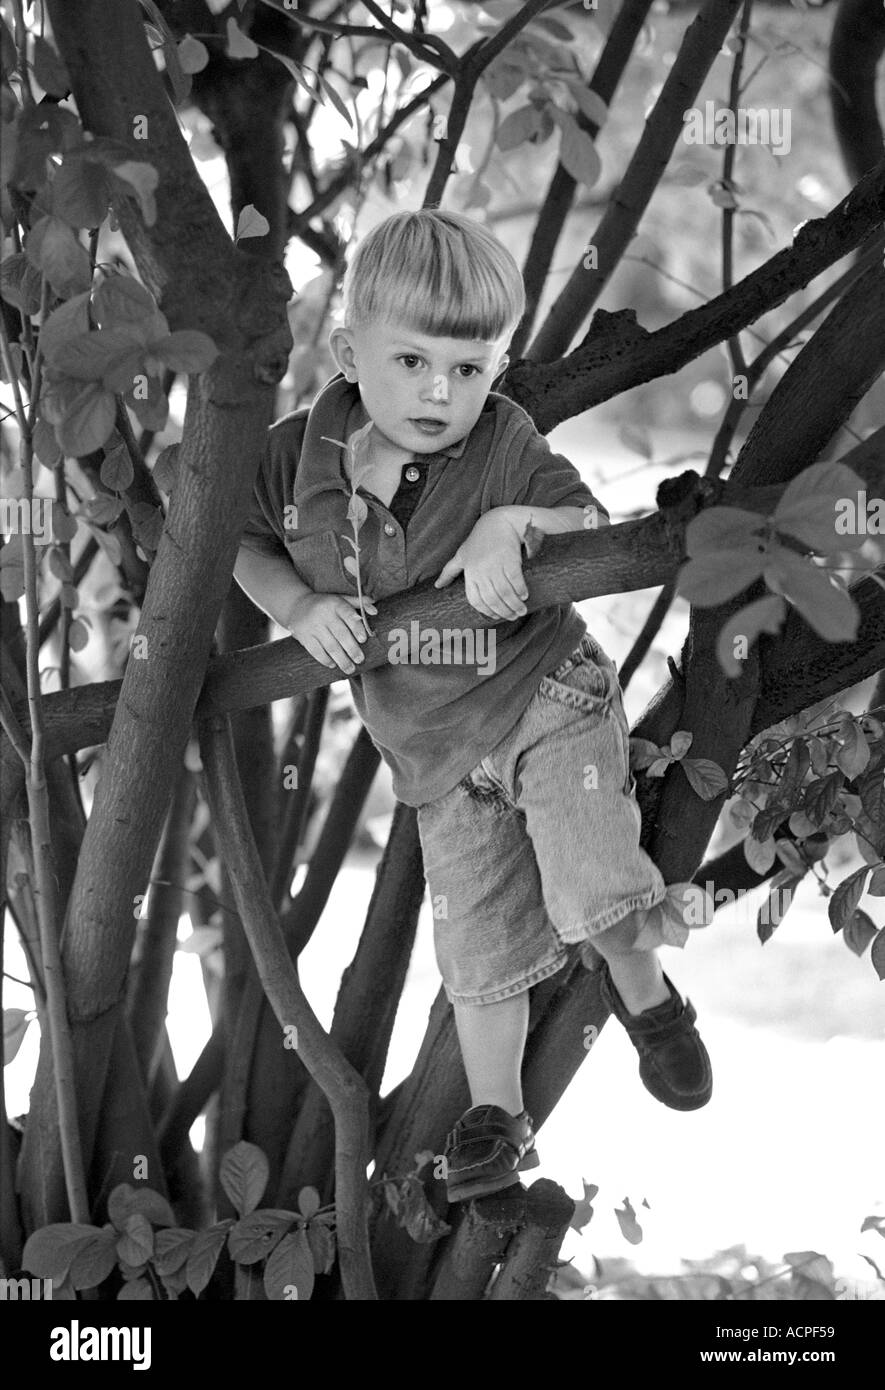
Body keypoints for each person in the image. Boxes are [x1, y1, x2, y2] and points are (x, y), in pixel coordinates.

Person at [234, 208, 712, 1204]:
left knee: (592, 884)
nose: (439, 392)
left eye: (469, 365)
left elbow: (582, 519)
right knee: (478, 947)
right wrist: (299, 602)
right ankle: (498, 1118)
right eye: (410, 361)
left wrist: (508, 524)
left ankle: (649, 1000)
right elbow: (235, 537)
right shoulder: (295, 457)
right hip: (434, 752)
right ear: (346, 349)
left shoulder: (501, 440)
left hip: (543, 700)